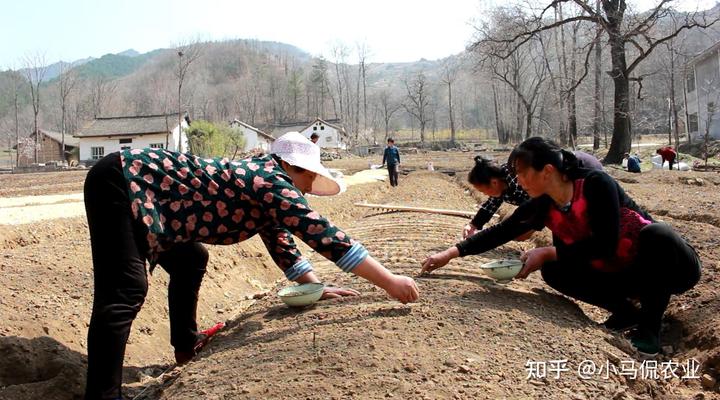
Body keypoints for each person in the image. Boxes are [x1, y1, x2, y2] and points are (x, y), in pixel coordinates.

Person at [83, 131, 420, 399]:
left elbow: (282, 242)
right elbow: (324, 235)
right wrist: (390, 281)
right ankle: (103, 395)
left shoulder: (265, 183)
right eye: (309, 181)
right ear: (295, 168)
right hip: (123, 179)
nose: (308, 190)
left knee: (191, 258)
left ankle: (186, 345)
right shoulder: (271, 183)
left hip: (146, 190)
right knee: (126, 290)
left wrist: (314, 288)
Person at [422, 137, 700, 356]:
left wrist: (548, 251)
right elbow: (503, 231)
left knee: (657, 234)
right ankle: (627, 313)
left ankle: (650, 331)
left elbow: (605, 243)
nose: (516, 181)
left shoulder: (595, 184)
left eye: (520, 172)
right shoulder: (543, 204)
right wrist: (450, 253)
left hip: (665, 268)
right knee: (554, 272)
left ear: (547, 171)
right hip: (620, 274)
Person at [462, 151, 602, 239]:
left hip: (585, 167)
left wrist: (531, 226)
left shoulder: (519, 181)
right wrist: (474, 224)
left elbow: (539, 208)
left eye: (482, 191)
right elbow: (491, 206)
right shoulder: (500, 183)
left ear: (493, 182)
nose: (484, 194)